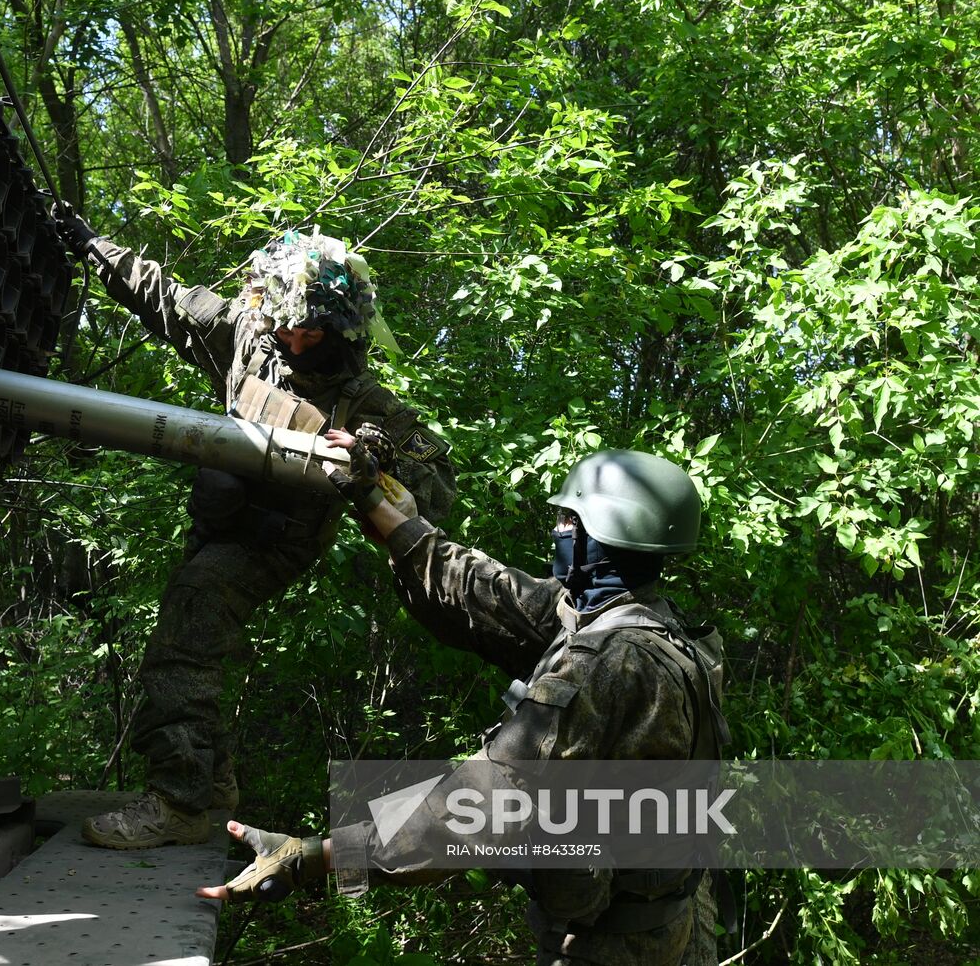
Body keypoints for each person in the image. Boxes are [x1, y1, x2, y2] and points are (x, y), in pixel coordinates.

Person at [198, 444, 729, 966]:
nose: (559, 528)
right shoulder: (649, 624)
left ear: (603, 535)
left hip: (617, 945)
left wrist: (313, 857)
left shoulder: (609, 662)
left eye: (569, 518)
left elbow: (477, 807)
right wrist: (378, 504)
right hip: (674, 916)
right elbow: (484, 592)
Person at [51, 207, 457, 848]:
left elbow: (438, 490)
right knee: (196, 633)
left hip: (277, 541)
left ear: (341, 328)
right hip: (218, 521)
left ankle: (179, 802)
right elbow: (167, 299)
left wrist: (377, 459)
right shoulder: (247, 336)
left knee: (184, 635)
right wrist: (89, 245)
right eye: (287, 329)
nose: (295, 344)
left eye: (312, 334)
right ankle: (210, 781)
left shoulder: (368, 403)